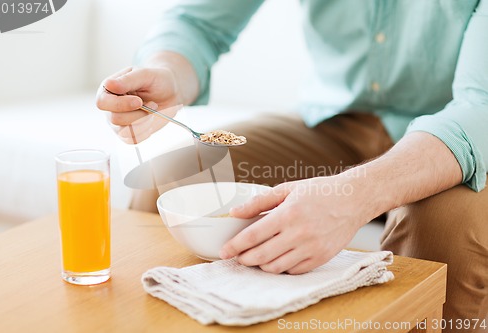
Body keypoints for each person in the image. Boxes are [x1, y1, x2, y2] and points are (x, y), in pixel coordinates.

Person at [96, 1, 488, 330]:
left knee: (442, 227)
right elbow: (197, 20)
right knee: (172, 178)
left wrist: (353, 197)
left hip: (456, 138)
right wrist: (168, 73)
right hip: (334, 121)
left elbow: (480, 106)